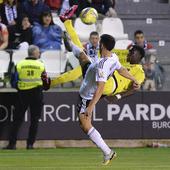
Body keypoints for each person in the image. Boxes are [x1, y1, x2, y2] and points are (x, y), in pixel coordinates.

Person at [59, 6, 140, 165]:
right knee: (81, 54)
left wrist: (91, 107)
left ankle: (108, 152)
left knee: (84, 124)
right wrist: (132, 78)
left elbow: (101, 87)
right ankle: (67, 29)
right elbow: (121, 69)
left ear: (102, 45)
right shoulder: (113, 57)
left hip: (87, 95)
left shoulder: (103, 65)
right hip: (90, 68)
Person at [4, 45, 50, 150]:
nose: (39, 54)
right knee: (34, 120)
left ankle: (12, 144)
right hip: (36, 94)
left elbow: (13, 80)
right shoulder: (41, 65)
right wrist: (44, 87)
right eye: (38, 52)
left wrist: (19, 87)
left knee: (17, 120)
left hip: (22, 94)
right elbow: (46, 82)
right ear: (34, 53)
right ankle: (30, 144)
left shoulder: (20, 64)